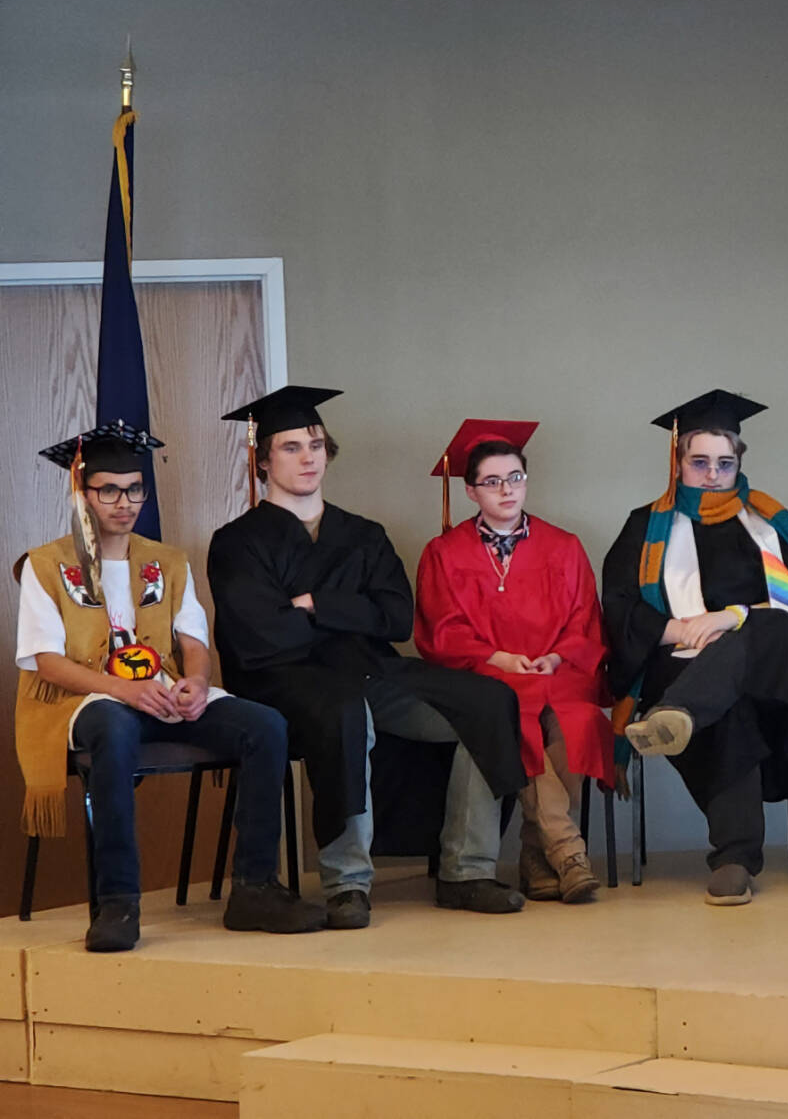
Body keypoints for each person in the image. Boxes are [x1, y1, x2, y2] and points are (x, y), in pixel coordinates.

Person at [207, 387, 528, 929]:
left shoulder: (363, 534)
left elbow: (397, 618)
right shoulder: (238, 542)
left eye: (315, 444)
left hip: (371, 668)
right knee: (343, 710)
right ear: (262, 461)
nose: (308, 456)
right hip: (282, 681)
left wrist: (312, 605)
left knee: (488, 699)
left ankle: (466, 870)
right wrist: (349, 612)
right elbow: (264, 636)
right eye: (290, 447)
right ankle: (347, 883)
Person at [15, 421, 324, 950]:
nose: (124, 501)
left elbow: (194, 644)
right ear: (82, 494)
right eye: (108, 489)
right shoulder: (47, 565)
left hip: (163, 692)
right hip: (85, 701)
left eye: (135, 488)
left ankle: (254, 888)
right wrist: (126, 692)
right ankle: (118, 903)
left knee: (265, 725)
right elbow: (46, 662)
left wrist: (199, 683)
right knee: (112, 729)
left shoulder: (167, 562)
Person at [599, 390, 788, 907]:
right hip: (681, 668)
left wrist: (729, 618)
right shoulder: (646, 526)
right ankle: (734, 859)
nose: (712, 473)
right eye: (699, 461)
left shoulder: (768, 524)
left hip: (773, 680)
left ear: (738, 463)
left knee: (770, 629)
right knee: (726, 707)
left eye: (725, 463)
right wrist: (680, 631)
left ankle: (678, 714)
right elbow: (619, 607)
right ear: (678, 464)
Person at [414, 419, 613, 905]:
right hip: (488, 677)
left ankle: (535, 858)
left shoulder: (564, 547)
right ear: (470, 491)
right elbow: (441, 629)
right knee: (513, 719)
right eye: (493, 481)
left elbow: (585, 617)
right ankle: (566, 854)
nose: (507, 490)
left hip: (557, 672)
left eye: (516, 478)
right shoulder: (444, 553)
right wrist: (497, 657)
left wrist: (556, 656)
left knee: (579, 719)